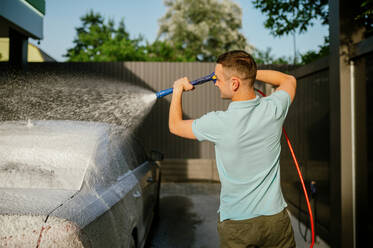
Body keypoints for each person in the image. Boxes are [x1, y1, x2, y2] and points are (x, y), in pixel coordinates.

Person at [168, 50, 296, 248]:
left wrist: (177, 90)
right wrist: (249, 74)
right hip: (275, 220)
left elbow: (175, 126)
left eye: (218, 79)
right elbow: (288, 79)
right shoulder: (273, 109)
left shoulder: (218, 123)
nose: (215, 82)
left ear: (234, 83)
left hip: (237, 225)